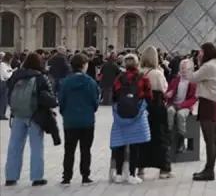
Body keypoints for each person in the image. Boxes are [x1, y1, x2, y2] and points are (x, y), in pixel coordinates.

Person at [4, 52, 58, 187]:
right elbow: (49, 98)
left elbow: (9, 92)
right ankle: (37, 177)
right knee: (36, 146)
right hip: (35, 115)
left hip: (18, 114)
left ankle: (11, 177)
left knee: (14, 146)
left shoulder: (16, 75)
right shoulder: (41, 77)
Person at [110, 53, 152, 185]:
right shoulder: (144, 78)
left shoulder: (118, 78)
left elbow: (114, 96)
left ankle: (118, 174)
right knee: (135, 146)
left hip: (121, 116)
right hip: (137, 115)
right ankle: (132, 174)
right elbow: (149, 96)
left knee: (120, 144)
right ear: (137, 64)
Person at [58, 52, 100, 185]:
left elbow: (61, 101)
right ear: (83, 65)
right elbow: (95, 101)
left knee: (69, 150)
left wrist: (65, 113)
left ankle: (67, 176)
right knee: (85, 150)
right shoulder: (90, 82)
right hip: (87, 120)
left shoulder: (66, 82)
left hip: (70, 121)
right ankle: (85, 175)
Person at [136, 46, 173, 179]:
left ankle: (140, 168)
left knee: (141, 137)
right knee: (160, 137)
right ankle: (164, 169)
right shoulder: (157, 73)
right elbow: (164, 89)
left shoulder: (138, 72)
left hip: (141, 107)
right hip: (156, 106)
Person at [191, 43, 216, 181]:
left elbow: (192, 78)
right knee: (212, 140)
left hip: (207, 103)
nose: (199, 54)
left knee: (209, 140)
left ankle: (209, 170)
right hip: (214, 102)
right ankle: (209, 168)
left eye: (201, 52)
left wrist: (196, 62)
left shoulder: (208, 66)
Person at [166, 58, 198, 153]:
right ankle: (169, 138)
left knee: (180, 115)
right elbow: (168, 92)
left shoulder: (193, 83)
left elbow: (194, 98)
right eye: (182, 68)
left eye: (186, 69)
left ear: (191, 70)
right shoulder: (175, 80)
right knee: (170, 111)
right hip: (173, 104)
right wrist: (168, 94)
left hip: (185, 106)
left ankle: (181, 141)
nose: (183, 71)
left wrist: (183, 105)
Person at [0, 52, 12, 120]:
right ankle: (1, 114)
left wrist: (10, 72)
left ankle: (3, 113)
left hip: (7, 82)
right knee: (3, 100)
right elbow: (5, 75)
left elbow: (10, 71)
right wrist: (10, 73)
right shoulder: (2, 64)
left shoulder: (8, 65)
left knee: (5, 100)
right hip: (3, 82)